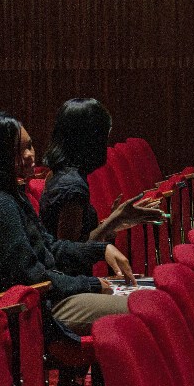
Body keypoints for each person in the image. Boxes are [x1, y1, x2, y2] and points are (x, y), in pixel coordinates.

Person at [0, 111, 134, 337]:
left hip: (50, 296)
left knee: (148, 298)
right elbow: (31, 278)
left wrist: (101, 249)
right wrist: (90, 284)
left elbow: (49, 246)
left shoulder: (8, 193)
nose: (30, 155)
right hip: (37, 310)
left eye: (30, 146)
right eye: (19, 150)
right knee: (142, 309)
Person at [39, 98, 164, 272]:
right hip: (73, 289)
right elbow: (70, 255)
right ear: (91, 140)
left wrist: (116, 222)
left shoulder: (61, 174)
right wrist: (115, 220)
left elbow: (76, 241)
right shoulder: (72, 186)